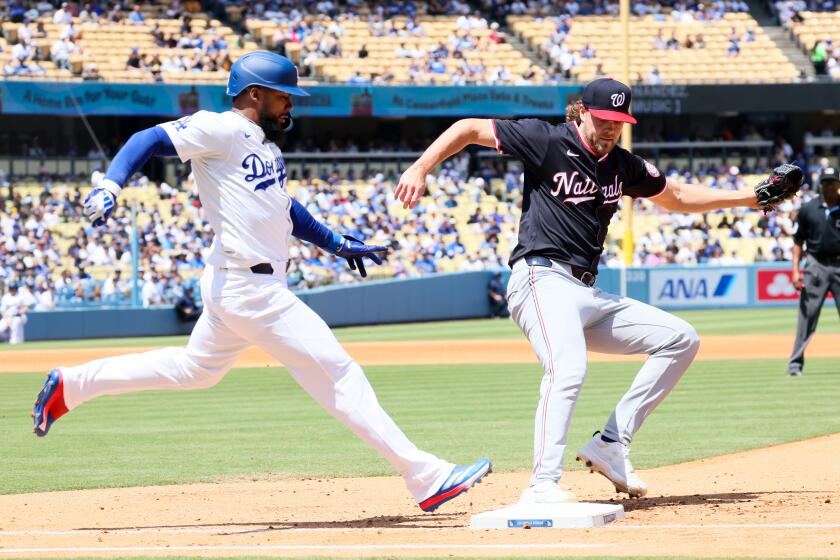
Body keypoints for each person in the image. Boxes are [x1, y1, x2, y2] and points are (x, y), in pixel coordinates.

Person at [32, 51, 490, 513]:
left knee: (195, 371)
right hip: (250, 288)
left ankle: (72, 385)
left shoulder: (264, 147)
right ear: (255, 94)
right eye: (284, 95)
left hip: (237, 283)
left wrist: (335, 242)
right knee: (338, 372)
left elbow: (283, 208)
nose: (292, 103)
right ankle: (425, 476)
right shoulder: (224, 129)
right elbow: (146, 138)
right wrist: (111, 185)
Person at [396, 78, 784, 503]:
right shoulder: (544, 139)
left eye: (618, 121)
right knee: (568, 369)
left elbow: (675, 195)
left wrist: (749, 198)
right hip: (540, 278)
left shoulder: (622, 164)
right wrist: (420, 166)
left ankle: (611, 445)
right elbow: (469, 128)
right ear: (581, 111)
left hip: (587, 292)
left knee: (680, 339)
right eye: (603, 119)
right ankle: (542, 484)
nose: (610, 129)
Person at [787, 167, 840, 376]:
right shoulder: (809, 208)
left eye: (832, 182)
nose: (829, 186)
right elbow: (798, 241)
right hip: (816, 265)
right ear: (821, 185)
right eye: (825, 182)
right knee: (806, 317)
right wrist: (795, 271)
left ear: (838, 184)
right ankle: (795, 366)